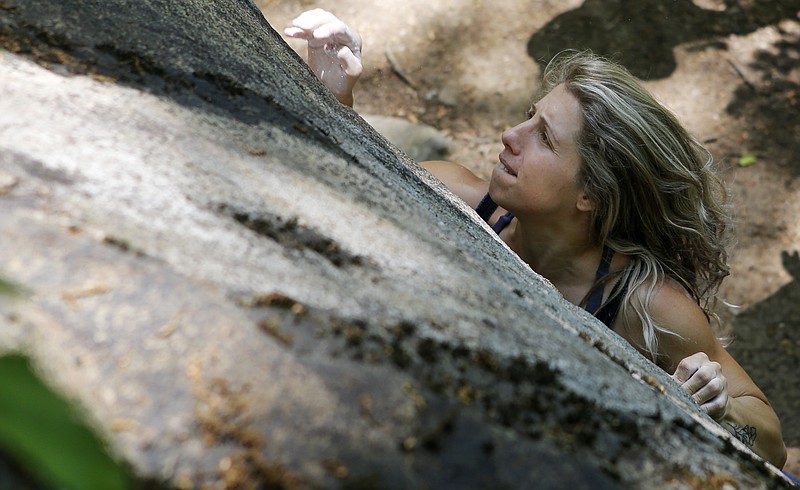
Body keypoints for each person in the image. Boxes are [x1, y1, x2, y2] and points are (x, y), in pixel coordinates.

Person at [284, 9, 787, 468]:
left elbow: (767, 439)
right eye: (529, 115)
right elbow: (346, 180)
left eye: (543, 137)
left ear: (591, 193)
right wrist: (335, 96)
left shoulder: (644, 304)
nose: (509, 134)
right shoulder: (458, 196)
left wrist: (717, 403)